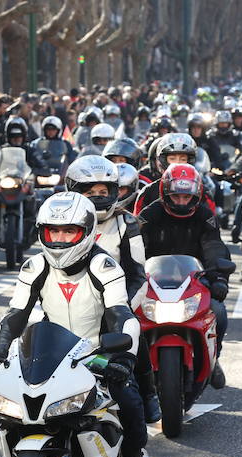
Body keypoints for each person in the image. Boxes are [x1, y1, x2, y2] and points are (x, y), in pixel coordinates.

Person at [0, 191, 158, 457]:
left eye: (69, 231)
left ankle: (137, 454)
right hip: (51, 352)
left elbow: (121, 314)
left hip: (97, 353)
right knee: (13, 403)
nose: (60, 238)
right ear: (42, 232)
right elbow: (14, 316)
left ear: (86, 232)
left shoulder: (105, 266)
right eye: (54, 230)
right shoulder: (34, 267)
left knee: (126, 395)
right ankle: (18, 456)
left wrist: (123, 358)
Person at [64, 156, 161, 422]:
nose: (97, 197)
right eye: (89, 192)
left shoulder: (126, 224)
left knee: (134, 334)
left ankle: (149, 393)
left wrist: (119, 309)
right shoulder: (60, 223)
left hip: (113, 305)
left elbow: (137, 275)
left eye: (102, 192)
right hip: (67, 304)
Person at [138, 163, 230, 389]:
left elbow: (214, 246)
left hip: (194, 280)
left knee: (218, 311)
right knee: (129, 320)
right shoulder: (150, 214)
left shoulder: (205, 216)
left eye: (186, 197)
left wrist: (219, 277)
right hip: (152, 280)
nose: (181, 201)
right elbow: (134, 246)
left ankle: (214, 356)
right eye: (176, 196)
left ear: (196, 195)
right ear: (166, 193)